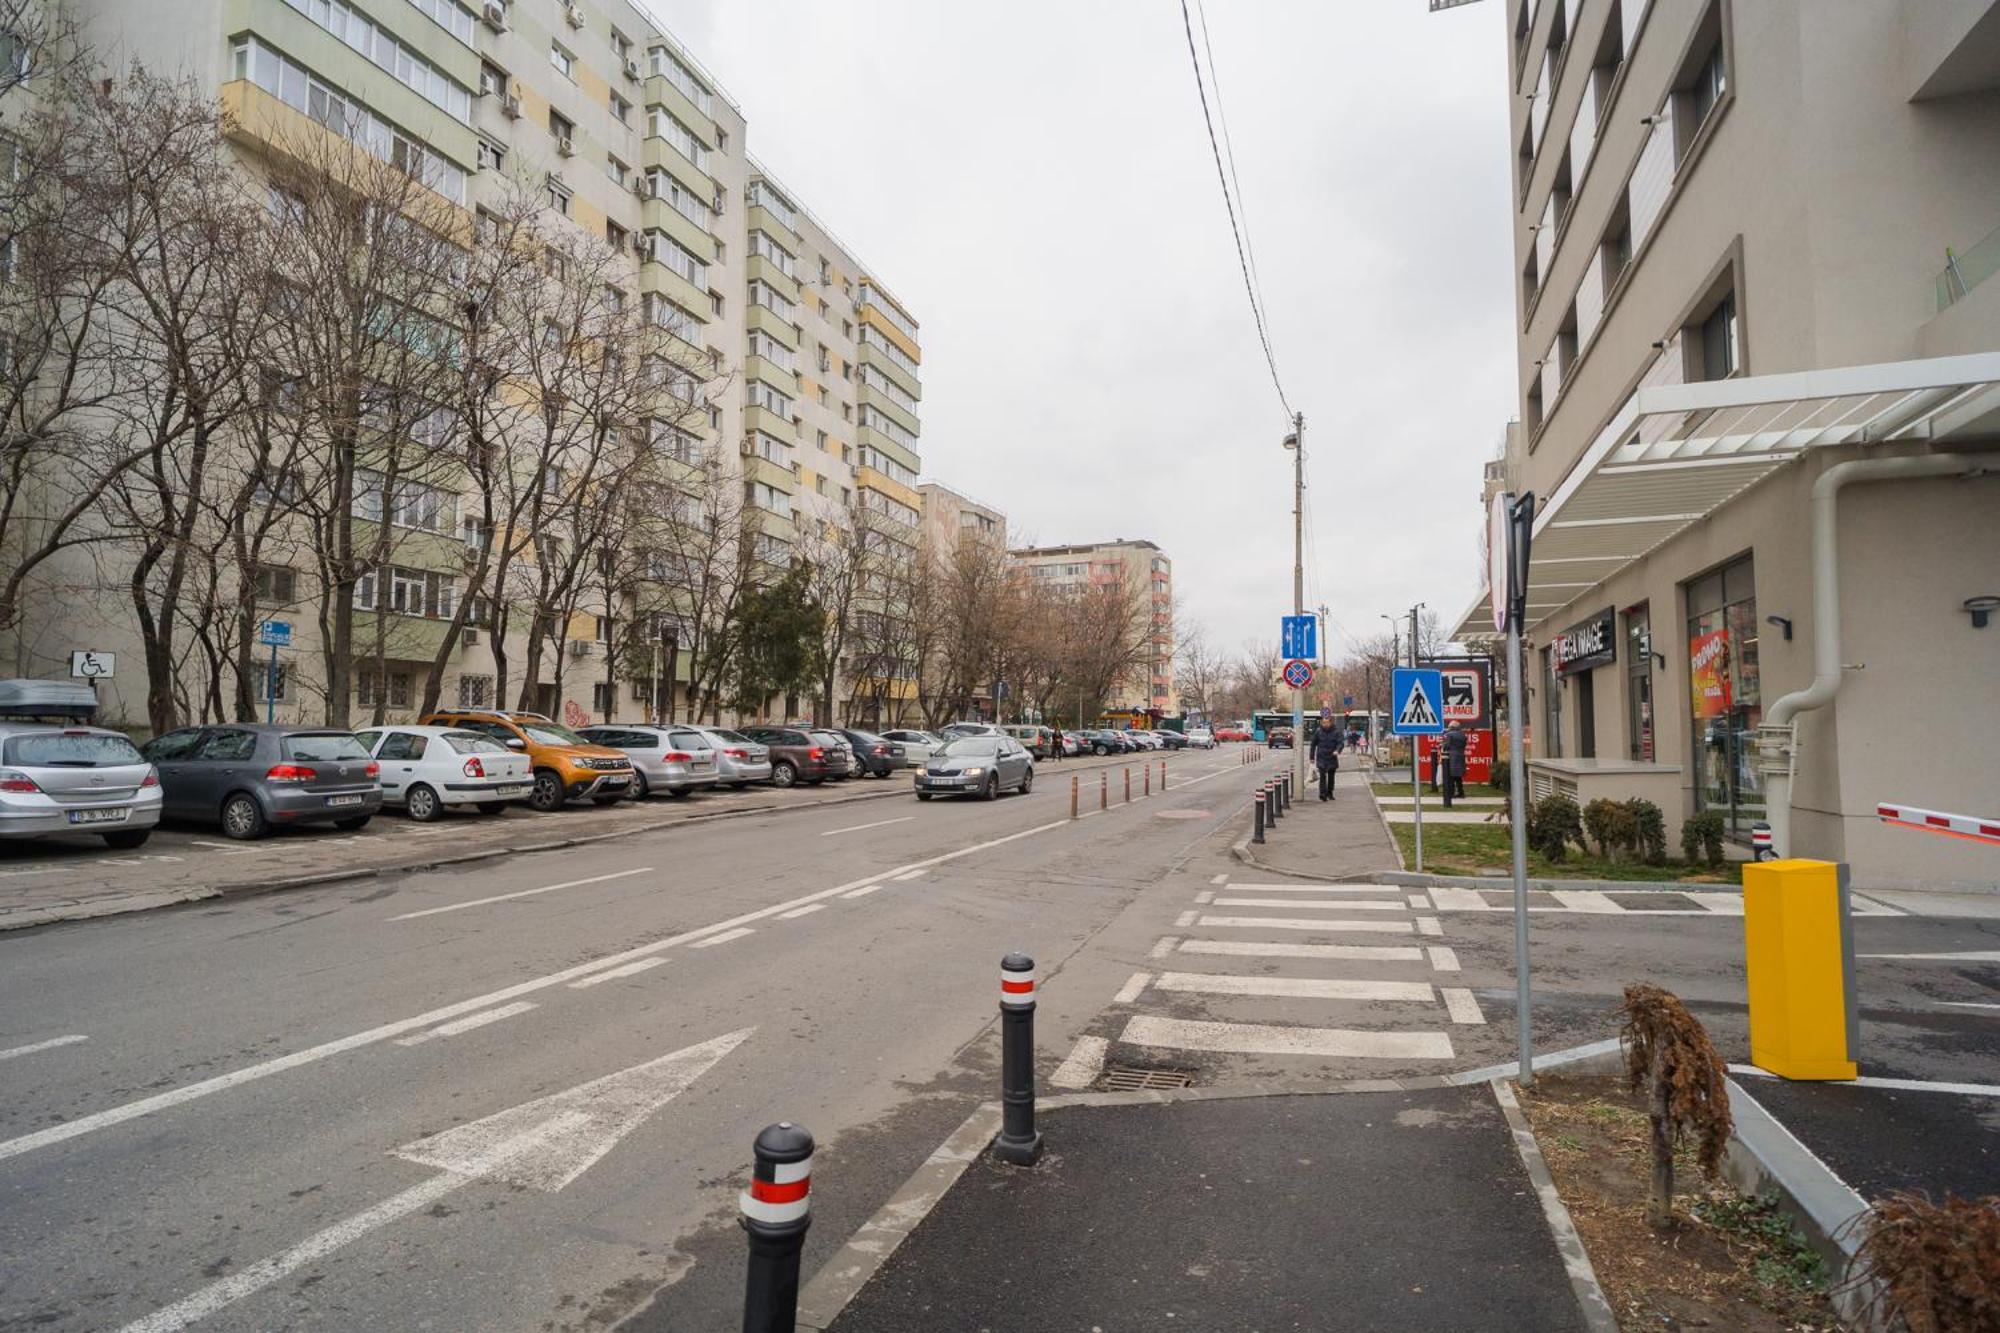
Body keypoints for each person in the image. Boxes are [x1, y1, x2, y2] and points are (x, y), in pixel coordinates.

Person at [1311, 710, 1344, 801]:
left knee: (1331, 776)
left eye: (1327, 722)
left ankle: (1330, 792)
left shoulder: (1336, 732)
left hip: (1332, 756)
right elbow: (1313, 744)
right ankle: (1322, 794)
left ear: (1330, 722)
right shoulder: (1318, 731)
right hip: (1321, 756)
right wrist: (1311, 757)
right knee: (1322, 775)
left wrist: (1337, 750)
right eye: (1323, 722)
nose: (1325, 724)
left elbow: (1340, 743)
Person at [1441, 721, 1469, 807]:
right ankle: (1461, 792)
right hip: (1461, 755)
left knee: (1451, 776)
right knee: (1458, 776)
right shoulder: (1463, 735)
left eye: (1449, 726)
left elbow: (1447, 745)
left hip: (1452, 756)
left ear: (1451, 727)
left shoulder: (1449, 735)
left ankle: (1451, 793)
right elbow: (1464, 745)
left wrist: (1443, 746)